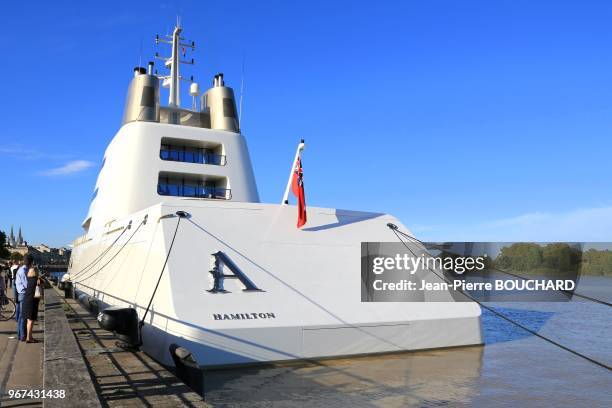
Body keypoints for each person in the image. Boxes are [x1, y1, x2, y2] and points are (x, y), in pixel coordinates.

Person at [22, 264, 42, 343]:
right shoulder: (37, 280)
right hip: (32, 302)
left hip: (26, 300)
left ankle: (29, 336)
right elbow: (44, 284)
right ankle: (29, 338)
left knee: (28, 320)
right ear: (36, 272)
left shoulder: (29, 279)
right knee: (31, 320)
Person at [14, 256, 31, 342]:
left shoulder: (21, 270)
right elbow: (26, 284)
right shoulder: (24, 271)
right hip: (24, 294)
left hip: (21, 294)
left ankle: (20, 335)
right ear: (30, 262)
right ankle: (22, 336)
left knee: (21, 316)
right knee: (23, 316)